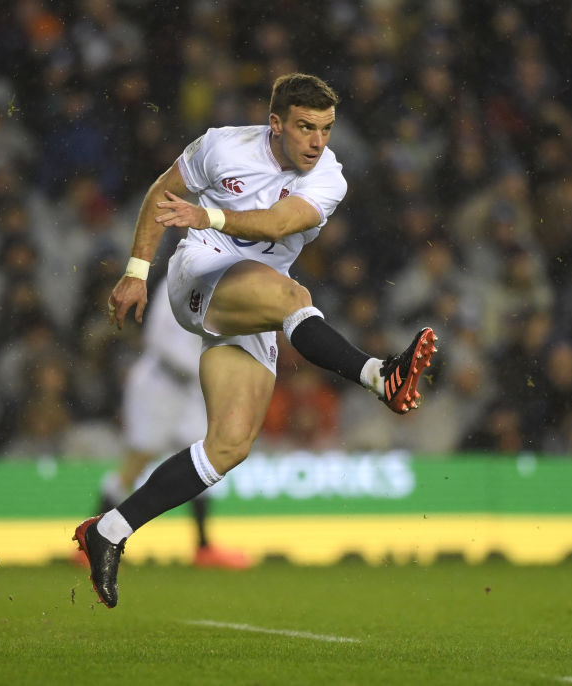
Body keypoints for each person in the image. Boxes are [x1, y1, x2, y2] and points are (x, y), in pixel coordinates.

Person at [73, 73, 438, 607]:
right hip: (200, 273)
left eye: (327, 129)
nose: (317, 142)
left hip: (252, 300)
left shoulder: (329, 177)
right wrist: (135, 270)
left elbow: (274, 224)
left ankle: (108, 531)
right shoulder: (223, 146)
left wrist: (210, 212)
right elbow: (161, 192)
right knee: (294, 297)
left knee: (228, 446)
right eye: (306, 127)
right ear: (276, 123)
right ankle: (380, 376)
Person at [92, 280, 251, 569]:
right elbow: (158, 339)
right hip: (159, 385)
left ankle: (203, 547)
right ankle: (92, 538)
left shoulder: (224, 283)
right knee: (137, 462)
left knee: (203, 458)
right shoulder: (178, 281)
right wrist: (207, 366)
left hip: (191, 390)